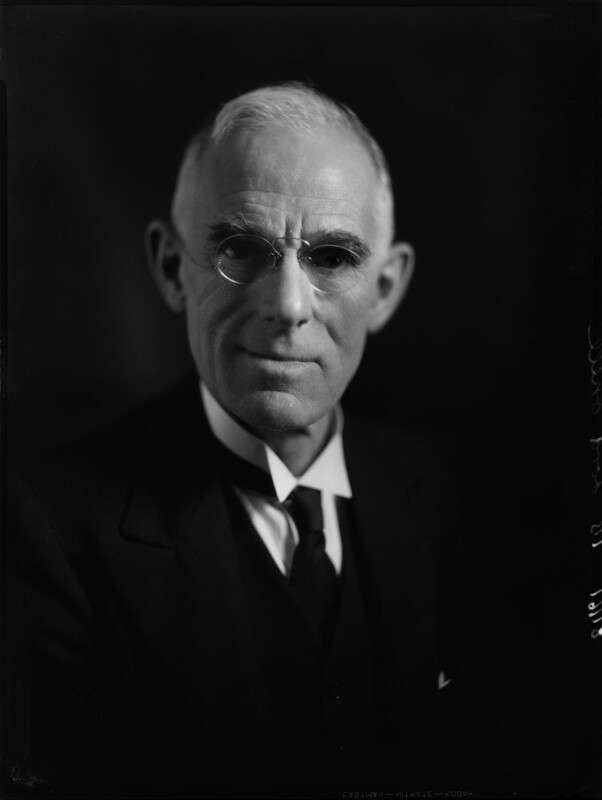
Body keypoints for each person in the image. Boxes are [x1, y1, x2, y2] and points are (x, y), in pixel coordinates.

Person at [5, 83, 580, 798]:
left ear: (387, 286)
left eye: (332, 257)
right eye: (241, 249)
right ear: (169, 267)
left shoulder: (449, 498)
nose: (286, 305)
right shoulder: (45, 531)